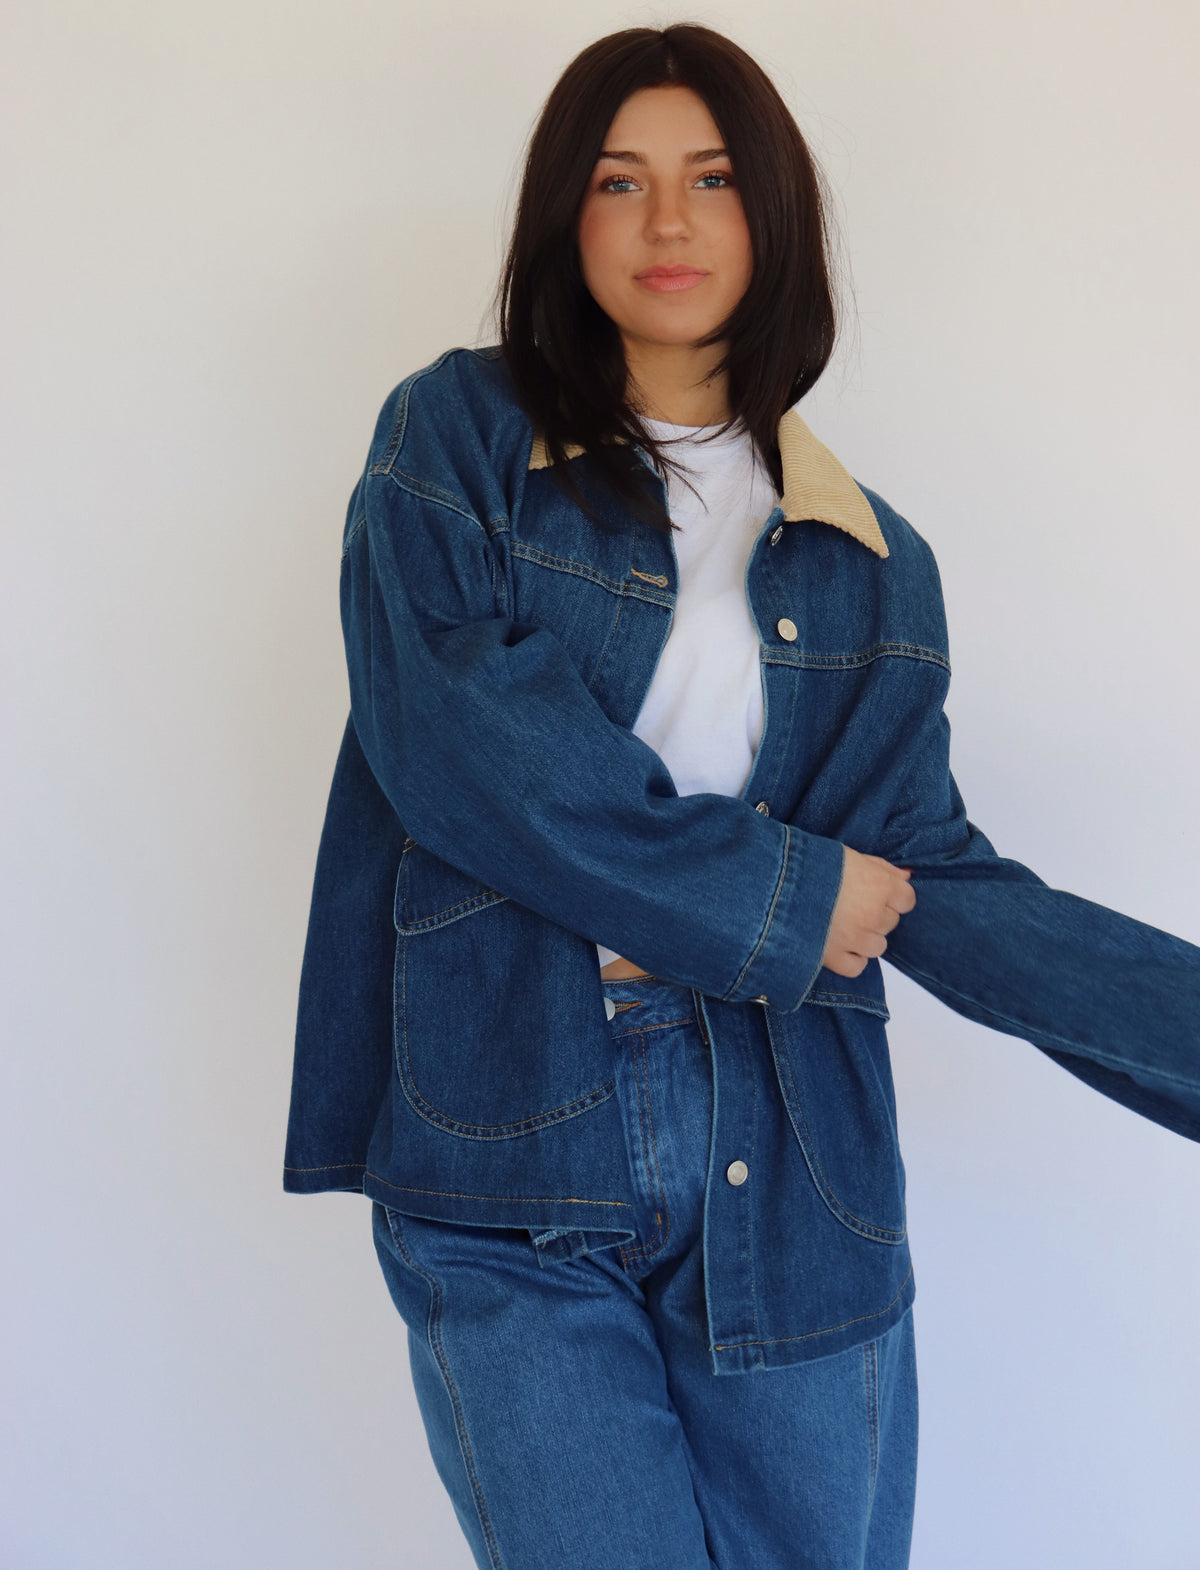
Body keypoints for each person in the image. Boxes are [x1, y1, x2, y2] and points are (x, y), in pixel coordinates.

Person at [283, 23, 1200, 1570]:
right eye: (618, 180)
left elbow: (930, 882)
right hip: (512, 1135)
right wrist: (782, 894)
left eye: (711, 179)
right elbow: (462, 747)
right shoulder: (456, 443)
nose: (668, 220)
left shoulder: (874, 561)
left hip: (794, 1160)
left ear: (771, 215)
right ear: (564, 216)